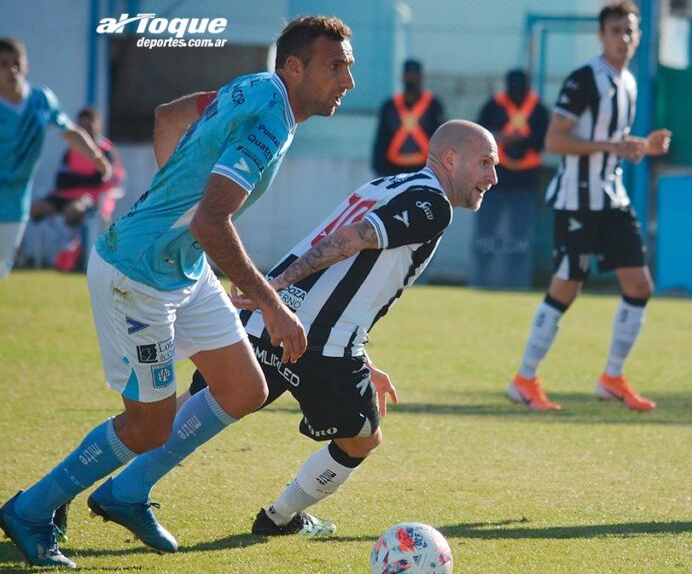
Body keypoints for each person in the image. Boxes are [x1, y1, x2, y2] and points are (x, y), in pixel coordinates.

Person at [0, 15, 356, 569]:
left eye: (348, 68)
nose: (347, 81)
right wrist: (272, 304)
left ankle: (125, 493)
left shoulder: (257, 87)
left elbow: (170, 116)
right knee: (149, 425)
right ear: (294, 67)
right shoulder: (270, 115)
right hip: (136, 276)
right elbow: (211, 223)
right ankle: (30, 508)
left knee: (242, 388)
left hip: (179, 269)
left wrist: (172, 201)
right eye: (335, 67)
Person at [180, 120, 497, 537]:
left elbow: (343, 266)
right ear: (451, 159)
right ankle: (279, 517)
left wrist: (274, 299)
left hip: (268, 324)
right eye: (486, 163)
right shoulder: (432, 204)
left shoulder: (385, 185)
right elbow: (352, 239)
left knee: (184, 408)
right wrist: (272, 286)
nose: (492, 178)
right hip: (319, 348)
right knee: (361, 439)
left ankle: (99, 485)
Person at [506, 1, 671, 412]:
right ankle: (524, 379)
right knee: (567, 286)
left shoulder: (629, 81)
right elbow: (554, 141)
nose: (624, 38)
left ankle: (612, 377)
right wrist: (610, 146)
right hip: (577, 200)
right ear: (602, 35)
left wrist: (643, 146)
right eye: (616, 30)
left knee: (639, 285)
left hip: (612, 198)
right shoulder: (585, 78)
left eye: (631, 30)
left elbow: (612, 139)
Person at [0, 37, 111, 278]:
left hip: (15, 205)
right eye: (3, 63)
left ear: (26, 65)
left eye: (16, 62)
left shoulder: (41, 101)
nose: (11, 70)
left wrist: (95, 156)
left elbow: (69, 131)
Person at [472, 69, 549, 288]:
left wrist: (518, 140)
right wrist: (502, 138)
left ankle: (517, 283)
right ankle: (481, 280)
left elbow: (543, 140)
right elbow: (478, 136)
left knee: (520, 238)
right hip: (493, 182)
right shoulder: (493, 106)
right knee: (485, 236)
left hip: (526, 182)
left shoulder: (538, 108)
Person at [28, 107, 125, 270]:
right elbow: (60, 181)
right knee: (35, 209)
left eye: (89, 124)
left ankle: (73, 248)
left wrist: (76, 180)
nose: (85, 129)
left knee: (73, 210)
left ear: (98, 126)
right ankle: (66, 245)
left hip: (92, 198)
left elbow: (99, 181)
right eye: (82, 125)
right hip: (65, 195)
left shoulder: (106, 151)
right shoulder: (71, 151)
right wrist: (83, 180)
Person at [372, 59, 445, 177]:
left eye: (415, 75)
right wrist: (379, 167)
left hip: (425, 169)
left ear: (421, 77)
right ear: (403, 77)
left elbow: (441, 136)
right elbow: (382, 137)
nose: (412, 78)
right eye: (409, 75)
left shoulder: (433, 105)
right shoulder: (390, 106)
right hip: (393, 170)